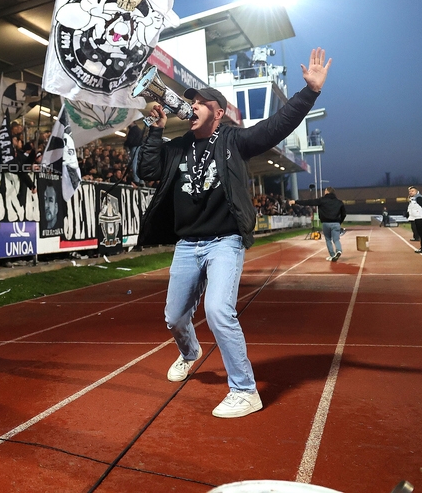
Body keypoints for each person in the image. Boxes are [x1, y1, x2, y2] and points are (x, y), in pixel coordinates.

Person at [137, 47, 331, 419]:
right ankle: (190, 352)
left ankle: (245, 390)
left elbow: (276, 126)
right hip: (187, 245)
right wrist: (154, 129)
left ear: (218, 111)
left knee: (217, 311)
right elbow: (146, 169)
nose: (190, 106)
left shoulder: (233, 141)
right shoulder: (177, 146)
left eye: (199, 102)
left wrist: (309, 92)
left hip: (224, 241)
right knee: (174, 318)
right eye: (189, 101)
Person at [289, 187, 347, 261]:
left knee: (328, 239)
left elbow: (309, 202)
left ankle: (332, 255)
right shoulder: (339, 202)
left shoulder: (322, 200)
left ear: (327, 192)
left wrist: (296, 202)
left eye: (325, 190)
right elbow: (344, 214)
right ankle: (338, 250)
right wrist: (339, 222)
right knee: (336, 239)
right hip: (336, 223)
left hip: (326, 223)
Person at [406, 186, 422, 254]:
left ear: (416, 191)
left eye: (412, 191)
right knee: (421, 234)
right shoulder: (413, 199)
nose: (410, 192)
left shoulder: (418, 197)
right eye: (410, 191)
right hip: (418, 217)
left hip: (421, 217)